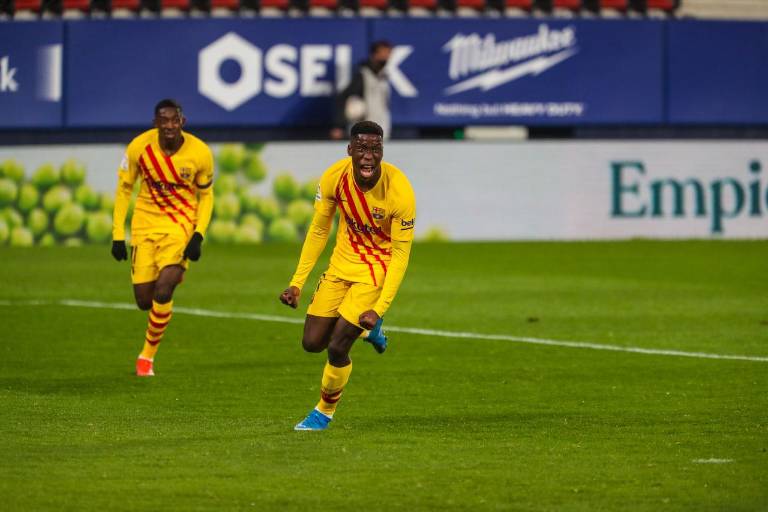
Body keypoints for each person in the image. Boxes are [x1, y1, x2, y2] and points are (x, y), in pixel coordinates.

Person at [280, 120, 416, 431]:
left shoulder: (400, 192)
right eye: (362, 149)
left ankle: (323, 413)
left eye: (375, 149)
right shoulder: (333, 178)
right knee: (312, 343)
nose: (369, 156)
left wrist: (378, 308)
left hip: (374, 272)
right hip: (340, 266)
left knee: (338, 346)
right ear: (350, 150)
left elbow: (400, 255)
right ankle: (370, 330)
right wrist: (297, 283)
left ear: (382, 151)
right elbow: (318, 229)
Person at [111, 99, 214, 377]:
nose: (169, 125)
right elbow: (124, 190)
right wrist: (118, 234)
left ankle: (146, 357)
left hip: (179, 228)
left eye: (174, 120)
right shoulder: (138, 148)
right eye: (163, 120)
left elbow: (206, 196)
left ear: (183, 121)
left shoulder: (200, 152)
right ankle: (171, 273)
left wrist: (198, 235)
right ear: (155, 123)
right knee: (145, 300)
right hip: (144, 227)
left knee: (163, 290)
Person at [330, 41, 393, 141]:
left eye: (388, 53)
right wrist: (339, 125)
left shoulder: (384, 76)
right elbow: (343, 97)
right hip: (364, 133)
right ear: (374, 54)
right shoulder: (362, 75)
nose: (386, 57)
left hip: (382, 130)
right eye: (383, 53)